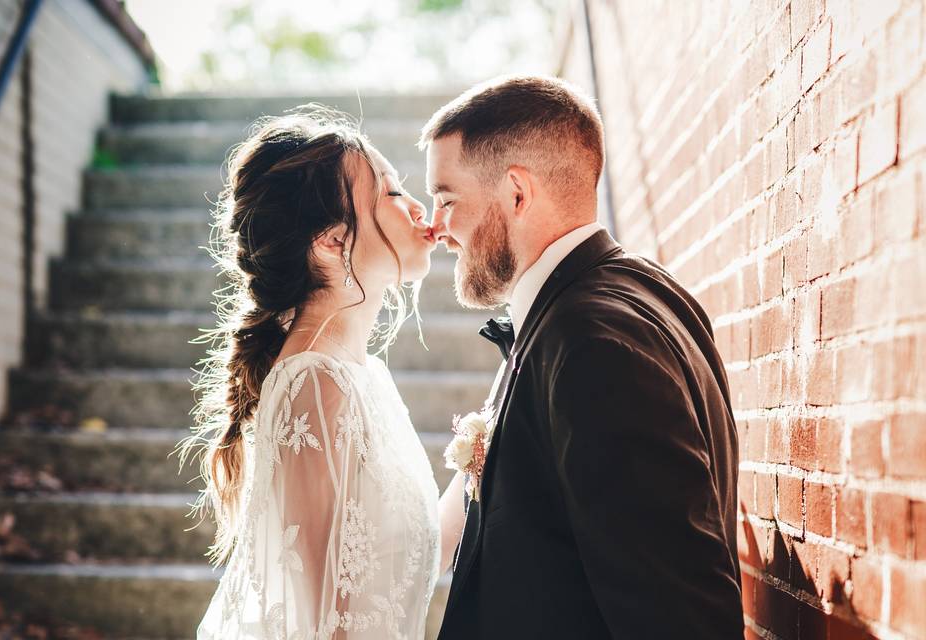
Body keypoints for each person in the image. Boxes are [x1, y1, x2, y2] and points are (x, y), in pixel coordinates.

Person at [424, 76, 746, 639]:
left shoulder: (590, 344)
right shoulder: (646, 292)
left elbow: (679, 615)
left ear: (516, 193)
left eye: (447, 199)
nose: (437, 227)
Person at [186, 108, 446, 639]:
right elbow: (329, 622)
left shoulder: (362, 375)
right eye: (392, 194)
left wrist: (481, 456)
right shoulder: (314, 385)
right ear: (332, 242)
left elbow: (399, 563)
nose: (418, 206)